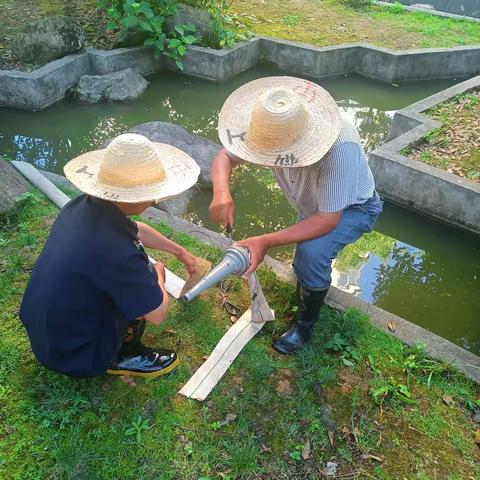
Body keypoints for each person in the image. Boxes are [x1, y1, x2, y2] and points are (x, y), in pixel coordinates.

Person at [209, 76, 383, 355]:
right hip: (314, 204)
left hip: (353, 207)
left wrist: (263, 241)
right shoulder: (269, 127)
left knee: (312, 255)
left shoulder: (340, 148)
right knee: (306, 258)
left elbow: (328, 219)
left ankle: (306, 322)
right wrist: (221, 193)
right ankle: (307, 283)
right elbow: (224, 158)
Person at [20, 133, 201, 378]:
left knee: (131, 279)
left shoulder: (80, 207)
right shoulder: (119, 253)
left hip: (46, 336)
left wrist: (178, 250)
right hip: (76, 356)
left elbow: (136, 229)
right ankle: (124, 355)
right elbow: (157, 313)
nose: (152, 201)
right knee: (146, 275)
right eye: (151, 195)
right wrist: (158, 274)